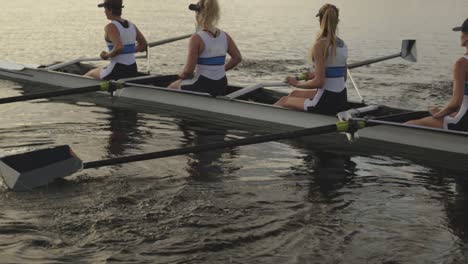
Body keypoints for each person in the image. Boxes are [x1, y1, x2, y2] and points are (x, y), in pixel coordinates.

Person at [274, 4, 348, 115]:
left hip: (325, 102)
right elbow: (341, 76)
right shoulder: (342, 45)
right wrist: (311, 75)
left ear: (320, 21)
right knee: (294, 94)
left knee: (284, 100)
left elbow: (319, 82)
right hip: (341, 98)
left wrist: (297, 83)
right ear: (337, 21)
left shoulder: (320, 45)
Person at [168, 0, 242, 97]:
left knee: (170, 88)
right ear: (215, 13)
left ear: (198, 14)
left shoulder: (196, 38)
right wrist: (219, 70)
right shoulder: (225, 36)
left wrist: (180, 76)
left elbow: (188, 71)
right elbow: (237, 58)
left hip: (203, 85)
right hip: (221, 84)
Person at [406, 18, 468, 131]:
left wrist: (437, 114)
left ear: (466, 37)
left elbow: (455, 103)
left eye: (462, 32)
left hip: (463, 123)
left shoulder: (462, 63)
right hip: (462, 115)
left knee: (408, 125)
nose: (460, 36)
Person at [85, 0, 147, 80]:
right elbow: (143, 44)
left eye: (105, 8)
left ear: (110, 10)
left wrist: (106, 55)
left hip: (118, 70)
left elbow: (119, 47)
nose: (104, 11)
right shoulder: (132, 25)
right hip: (132, 69)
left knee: (90, 74)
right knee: (100, 70)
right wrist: (129, 50)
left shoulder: (111, 27)